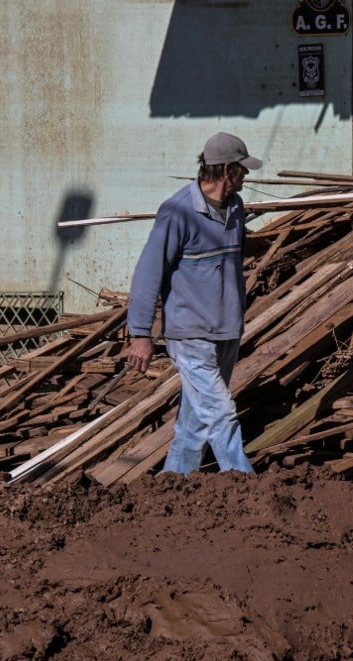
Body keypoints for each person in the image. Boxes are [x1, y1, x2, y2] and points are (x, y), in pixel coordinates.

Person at [126, 132, 262, 475]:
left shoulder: (235, 208)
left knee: (195, 423)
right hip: (190, 336)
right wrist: (140, 333)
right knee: (220, 412)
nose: (246, 175)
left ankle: (171, 484)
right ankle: (245, 484)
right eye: (243, 169)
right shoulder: (178, 213)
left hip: (227, 330)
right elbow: (147, 273)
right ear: (227, 170)